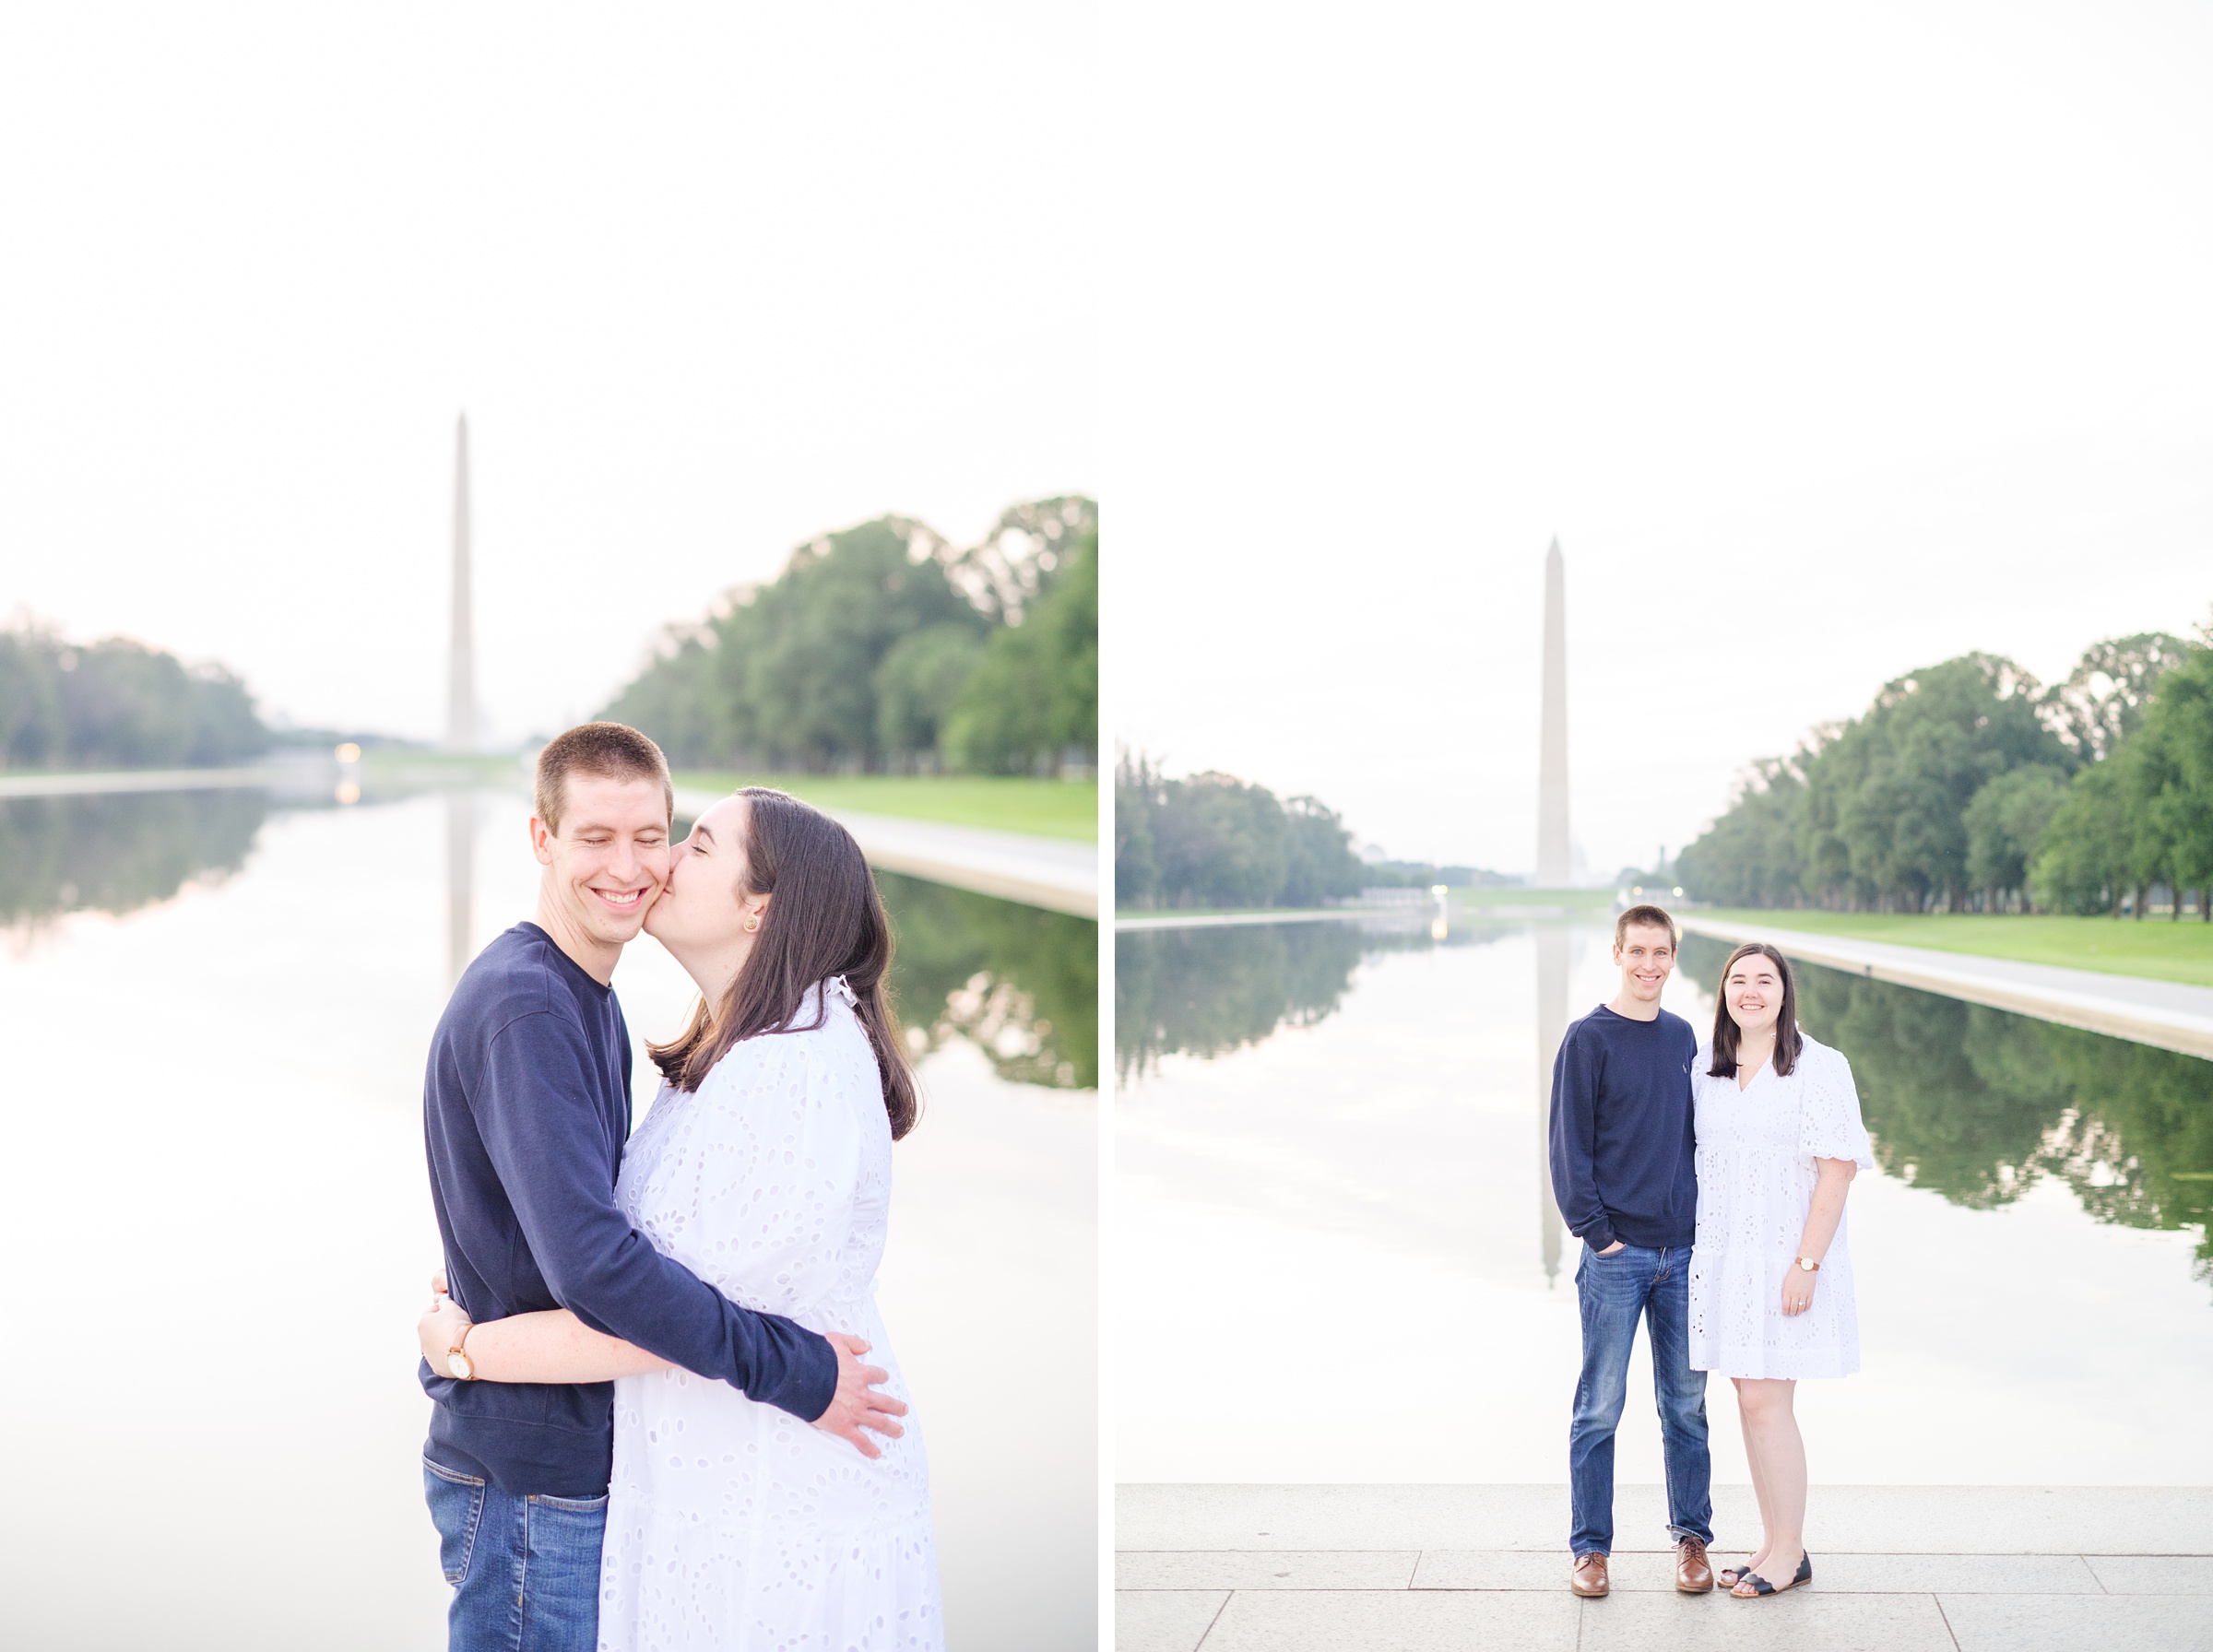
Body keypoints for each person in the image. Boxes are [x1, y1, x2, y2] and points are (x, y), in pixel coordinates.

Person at [417, 725, 907, 1652]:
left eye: (656, 836)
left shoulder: (586, 996)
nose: (635, 865)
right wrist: (797, 1371)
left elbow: (552, 1231)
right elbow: (596, 1266)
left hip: (564, 1458)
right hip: (534, 1475)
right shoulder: (529, 1005)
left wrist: (466, 1335)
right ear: (540, 840)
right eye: (595, 837)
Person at [1687, 941, 1871, 1599]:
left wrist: (1807, 1264)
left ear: (1785, 992)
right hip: (1726, 1259)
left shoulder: (1819, 1067)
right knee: (1749, 1399)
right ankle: (1772, 1541)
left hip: (1786, 1260)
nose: (1751, 991)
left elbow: (1838, 1169)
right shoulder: (1707, 1069)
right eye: (1739, 980)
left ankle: (1789, 1553)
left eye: (1765, 980)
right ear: (1725, 993)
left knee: (1769, 1402)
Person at [1547, 903, 1713, 1599]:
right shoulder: (1588, 1038)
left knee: (1685, 1405)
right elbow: (1567, 1149)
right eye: (1637, 951)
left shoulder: (1682, 1038)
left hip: (1682, 1255)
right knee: (1600, 1407)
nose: (1649, 965)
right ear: (1616, 953)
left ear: (1673, 959)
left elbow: (1704, 1139)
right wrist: (1598, 1234)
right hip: (1617, 1256)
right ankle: (1591, 1549)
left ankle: (1693, 1540)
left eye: (1661, 953)